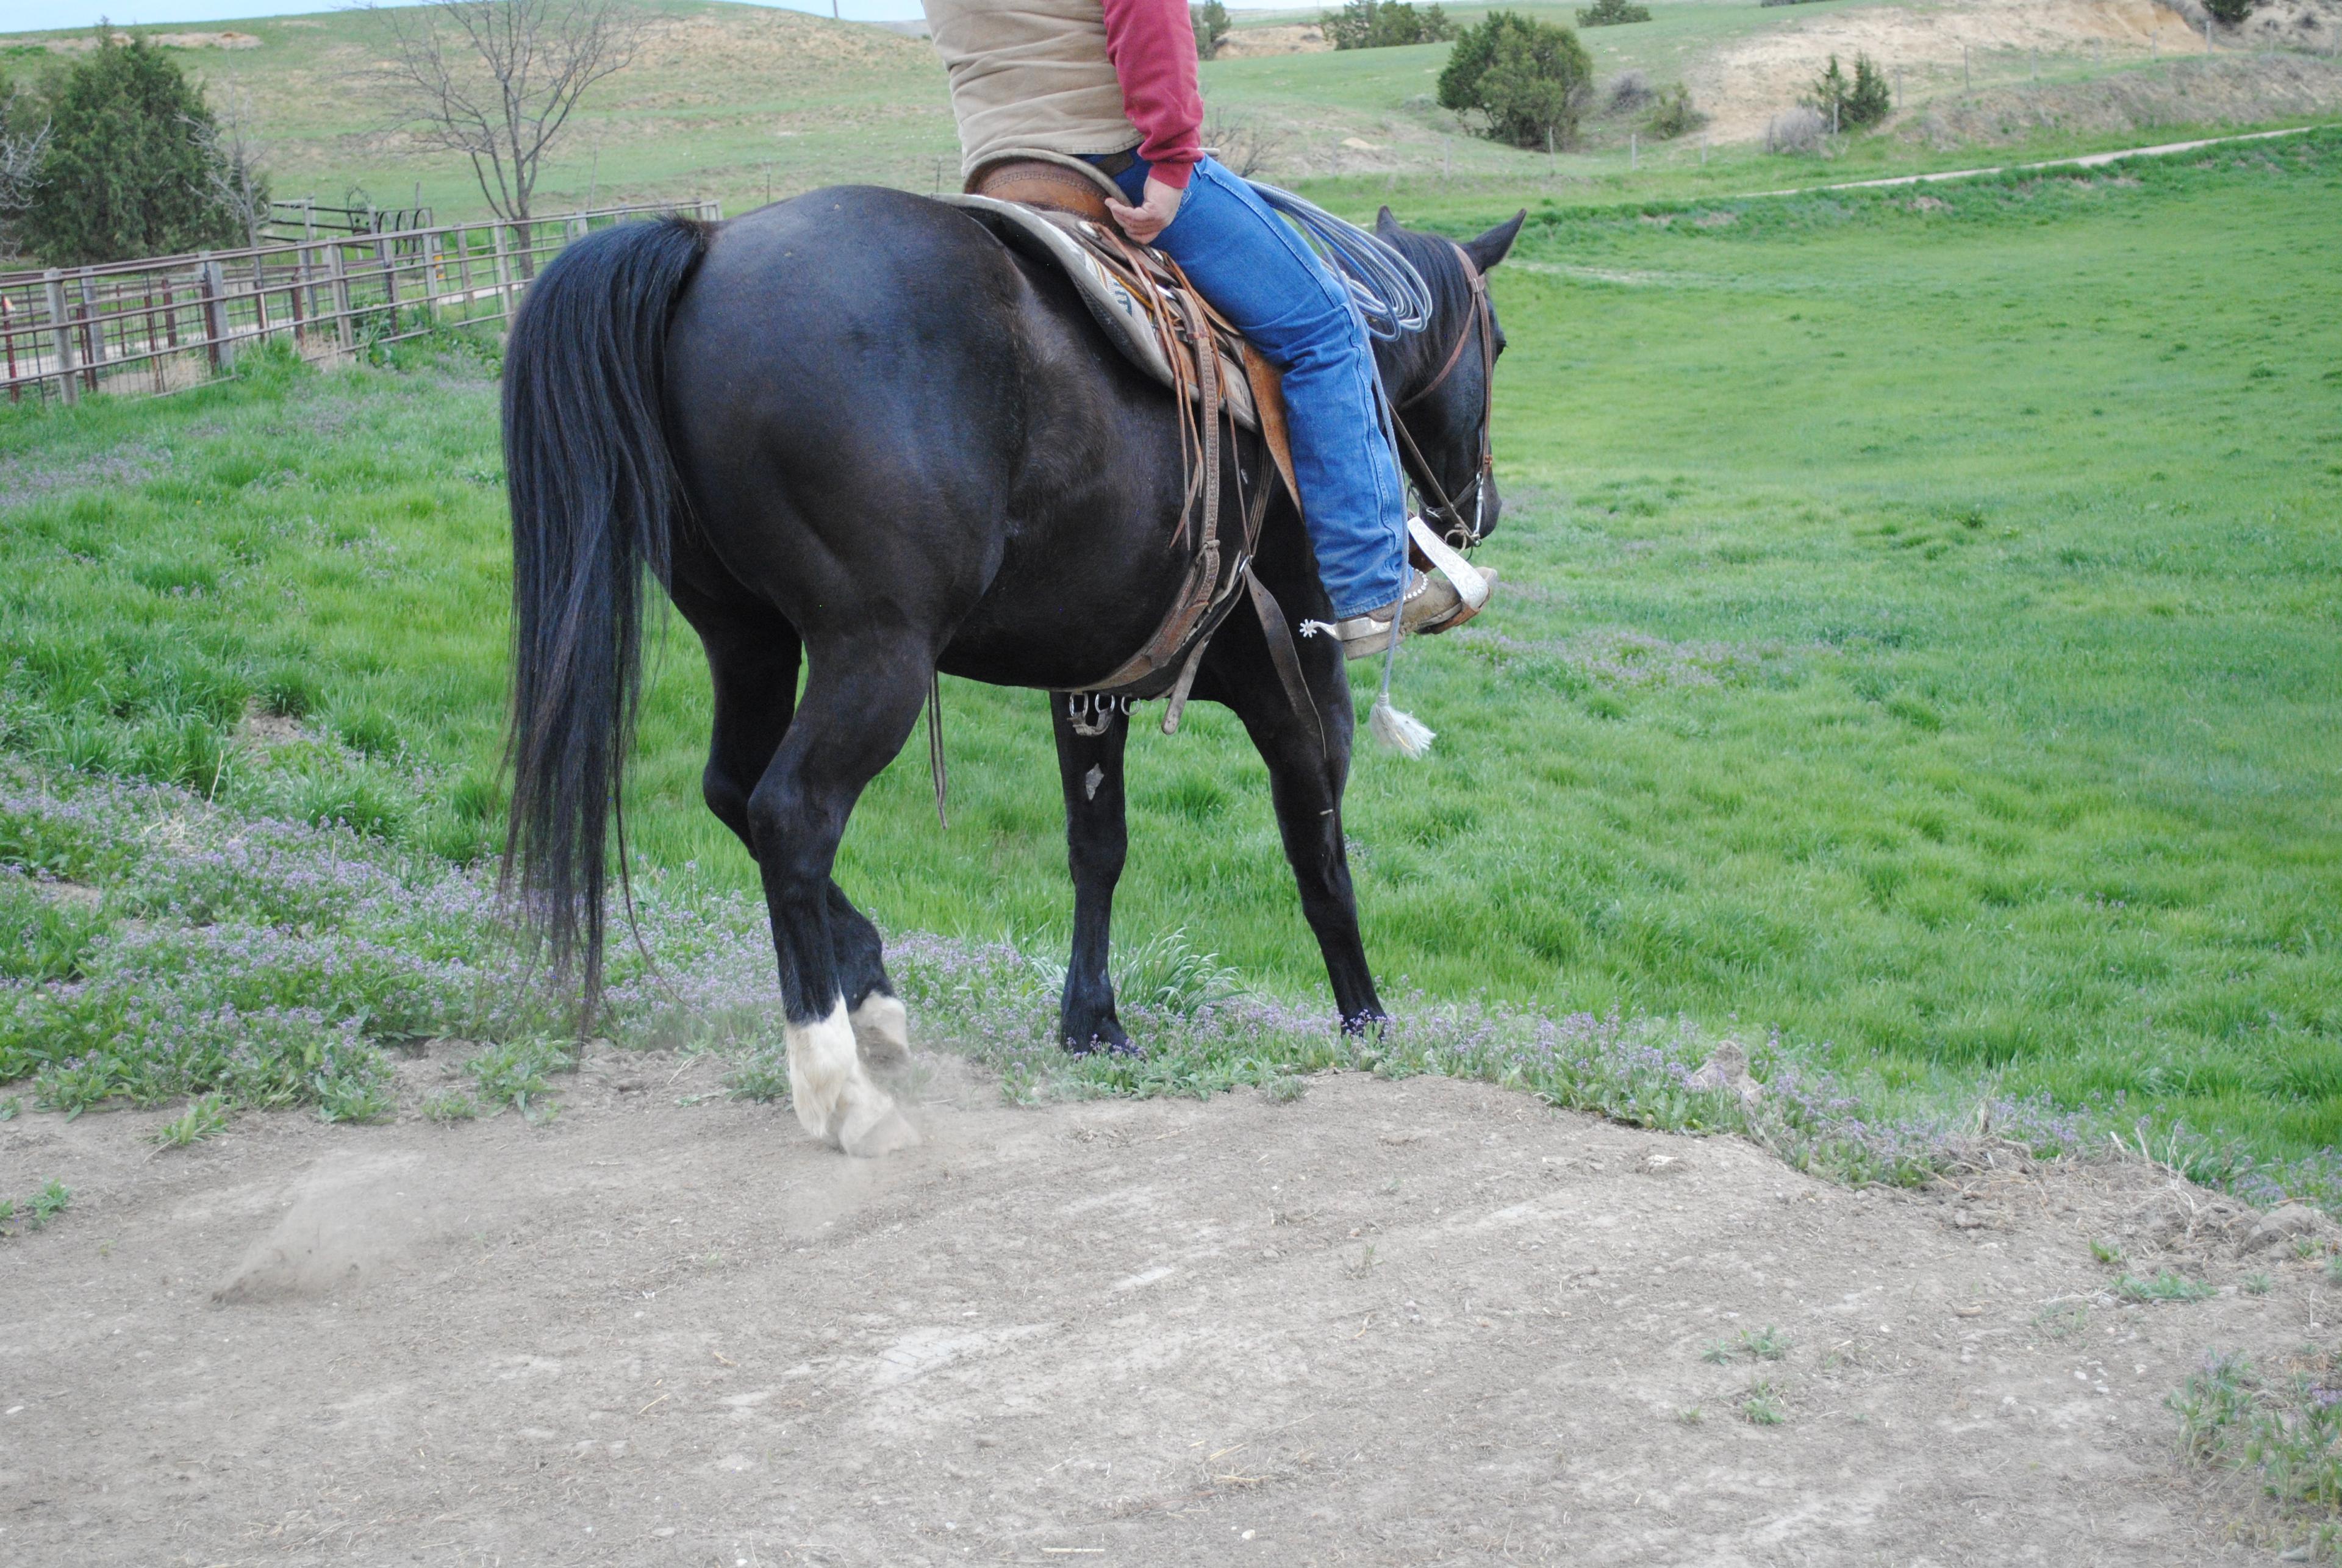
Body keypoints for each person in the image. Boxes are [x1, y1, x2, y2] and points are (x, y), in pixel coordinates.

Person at [919, 0, 1489, 657]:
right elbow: (1148, 15)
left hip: (1000, 173)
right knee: (1325, 329)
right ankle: (1377, 588)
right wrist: (1170, 161)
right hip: (1114, 161)